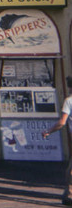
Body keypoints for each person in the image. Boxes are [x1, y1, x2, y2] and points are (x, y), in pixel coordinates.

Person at [42, 76, 72, 206]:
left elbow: (62, 122)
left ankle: (70, 194)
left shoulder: (69, 101)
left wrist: (48, 131)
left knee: (71, 170)